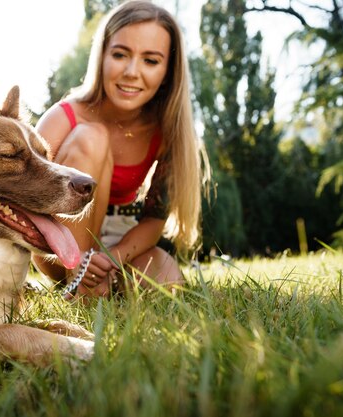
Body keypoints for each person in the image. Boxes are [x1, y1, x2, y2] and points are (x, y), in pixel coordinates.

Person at [32, 0, 210, 299]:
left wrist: (113, 257)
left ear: (168, 71)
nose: (131, 72)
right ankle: (81, 285)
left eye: (150, 61)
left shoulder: (165, 132)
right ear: (101, 56)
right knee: (92, 137)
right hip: (60, 237)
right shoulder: (65, 116)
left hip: (118, 235)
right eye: (120, 54)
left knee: (167, 279)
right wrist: (80, 259)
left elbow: (155, 219)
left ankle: (102, 280)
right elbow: (23, 196)